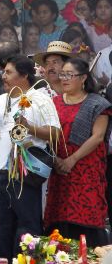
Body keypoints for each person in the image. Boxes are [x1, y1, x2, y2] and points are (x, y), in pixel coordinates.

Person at [0, 55, 60, 261]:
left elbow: (55, 134)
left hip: (24, 174)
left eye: (9, 72)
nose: (4, 77)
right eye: (4, 72)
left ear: (24, 75)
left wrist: (29, 127)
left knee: (28, 228)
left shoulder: (40, 99)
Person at [45, 58, 111, 247]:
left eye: (69, 75)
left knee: (86, 219)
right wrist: (56, 159)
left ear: (83, 78)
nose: (63, 78)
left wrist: (71, 159)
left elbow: (97, 137)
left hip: (85, 170)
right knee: (59, 221)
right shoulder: (53, 103)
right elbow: (47, 133)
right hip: (59, 170)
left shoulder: (98, 104)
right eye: (62, 74)